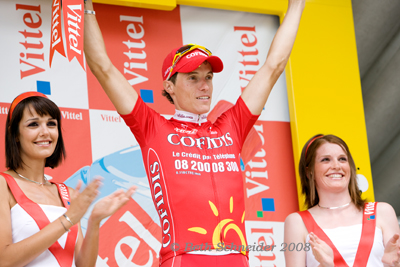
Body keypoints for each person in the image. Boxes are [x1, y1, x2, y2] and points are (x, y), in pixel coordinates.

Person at [83, 0, 305, 265]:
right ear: (170, 86)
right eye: (193, 77)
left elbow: (273, 67)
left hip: (236, 258)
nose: (204, 86)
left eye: (209, 77)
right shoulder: (152, 127)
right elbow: (103, 67)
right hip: (184, 258)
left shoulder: (231, 125)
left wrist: (296, 6)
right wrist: (86, 7)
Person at [0, 92, 136, 267]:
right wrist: (68, 219)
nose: (45, 132)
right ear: (15, 134)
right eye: (33, 124)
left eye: (51, 124)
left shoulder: (67, 193)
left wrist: (94, 221)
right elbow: (3, 260)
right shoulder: (4, 185)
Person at [284, 134, 400, 267]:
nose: (336, 165)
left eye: (342, 159)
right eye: (326, 160)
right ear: (309, 171)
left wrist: (393, 265)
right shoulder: (297, 222)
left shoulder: (382, 211)